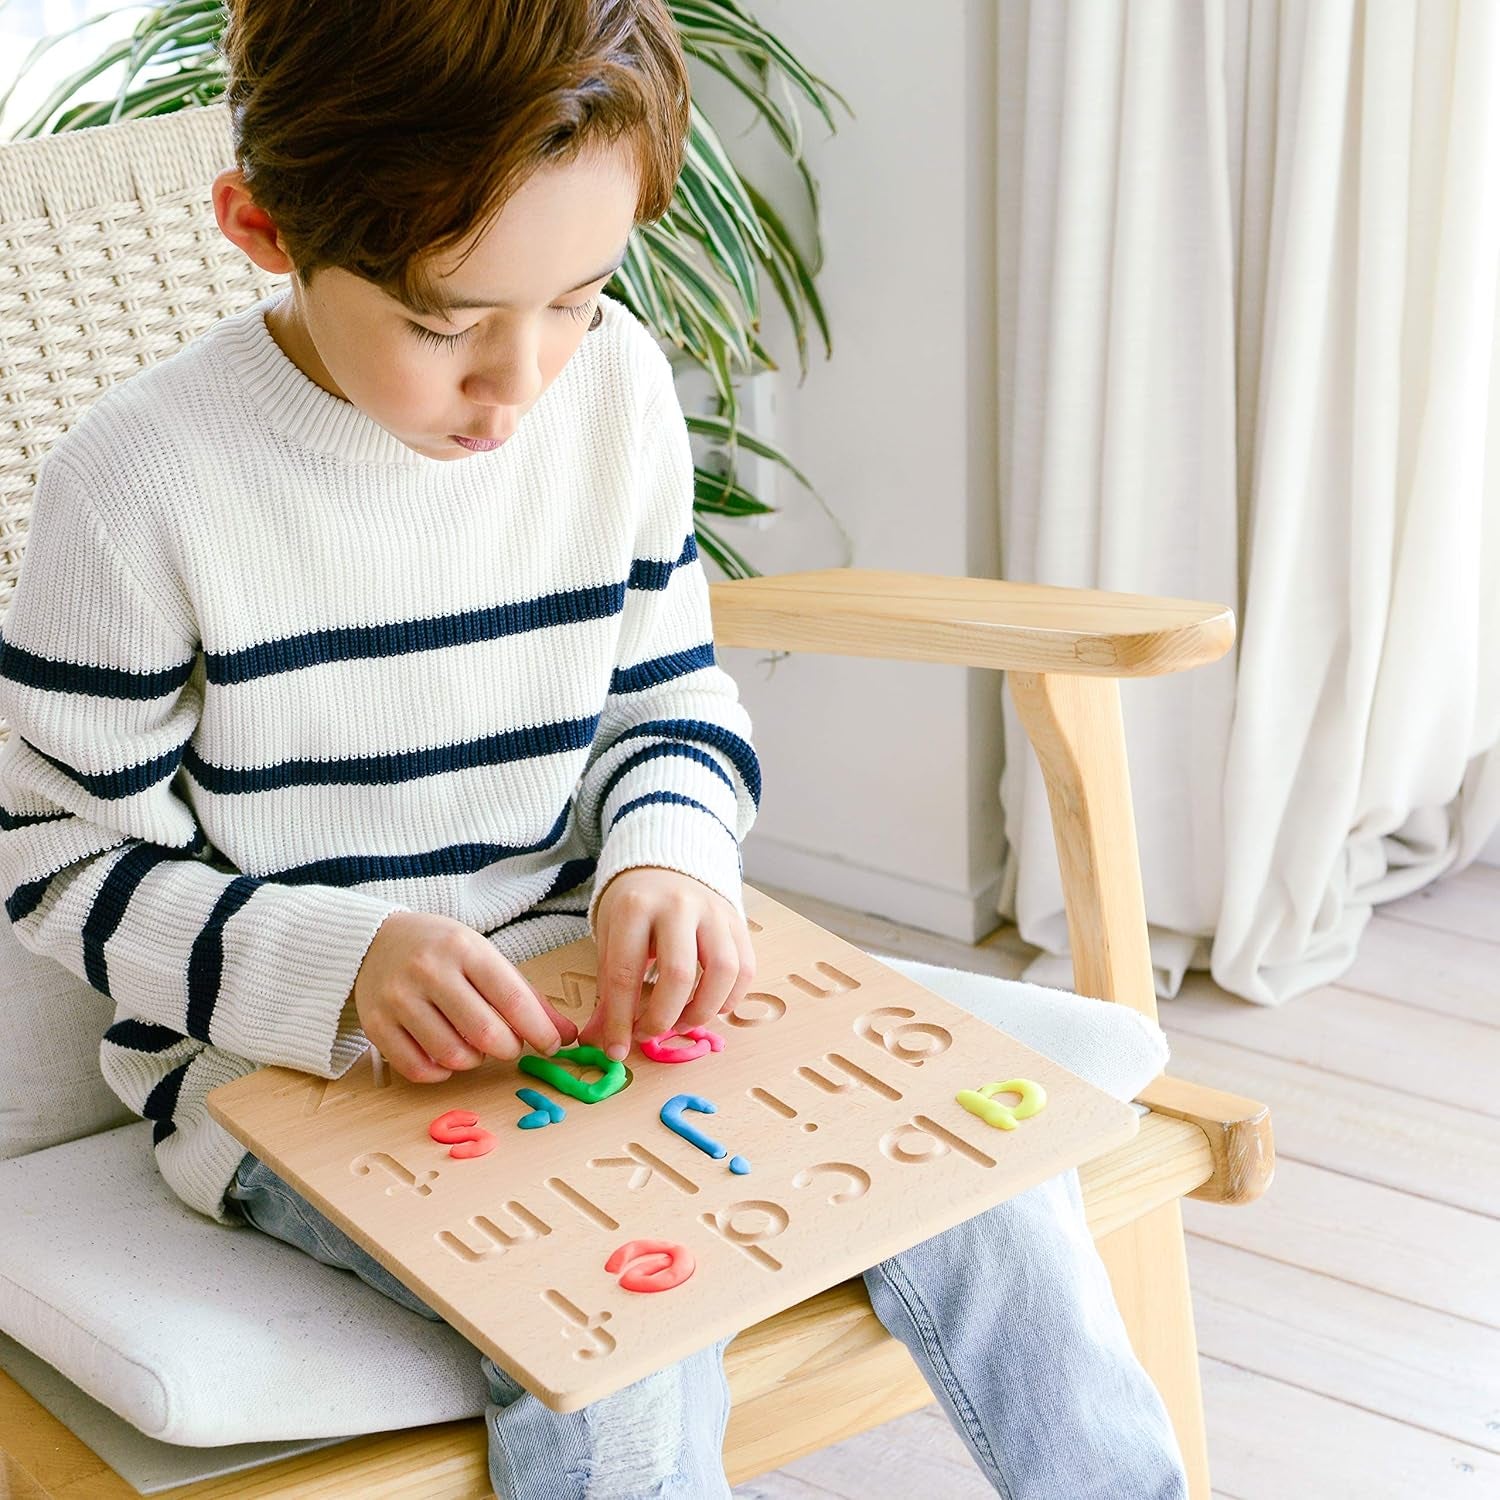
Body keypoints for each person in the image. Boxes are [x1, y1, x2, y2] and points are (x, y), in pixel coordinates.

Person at [0, 2, 1188, 1495]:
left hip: (609, 1001)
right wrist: (342, 962)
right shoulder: (140, 481)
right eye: (446, 325)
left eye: (578, 294)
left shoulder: (611, 388)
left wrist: (671, 853)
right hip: (290, 1070)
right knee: (619, 1329)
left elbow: (668, 694)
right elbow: (54, 858)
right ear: (260, 224)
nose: (524, 381)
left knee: (993, 1170)